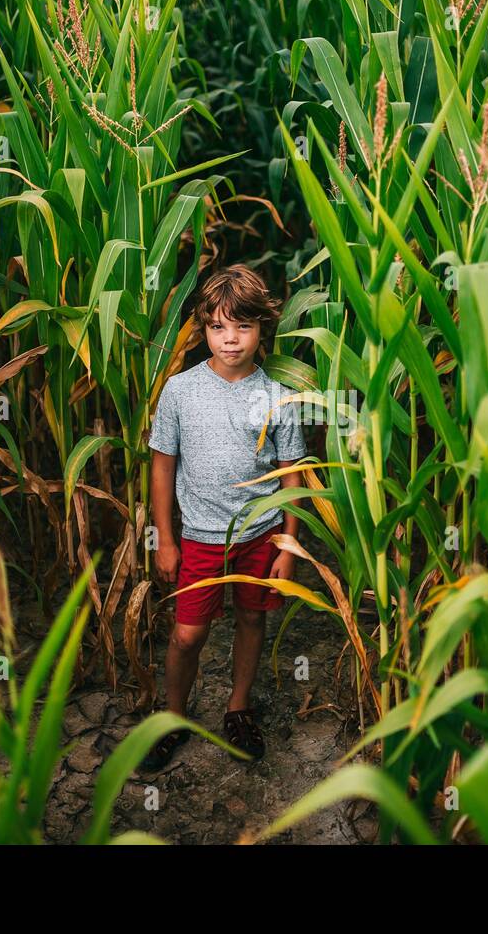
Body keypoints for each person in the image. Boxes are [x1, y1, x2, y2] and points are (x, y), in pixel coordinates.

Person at [139, 264, 306, 771]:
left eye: (243, 327)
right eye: (217, 327)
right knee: (187, 634)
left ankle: (238, 708)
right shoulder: (180, 392)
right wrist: (165, 539)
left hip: (259, 535)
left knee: (252, 618)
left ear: (263, 329)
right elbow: (163, 466)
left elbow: (291, 476)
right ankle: (173, 717)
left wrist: (288, 545)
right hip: (201, 539)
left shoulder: (278, 398)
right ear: (203, 329)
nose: (230, 339)